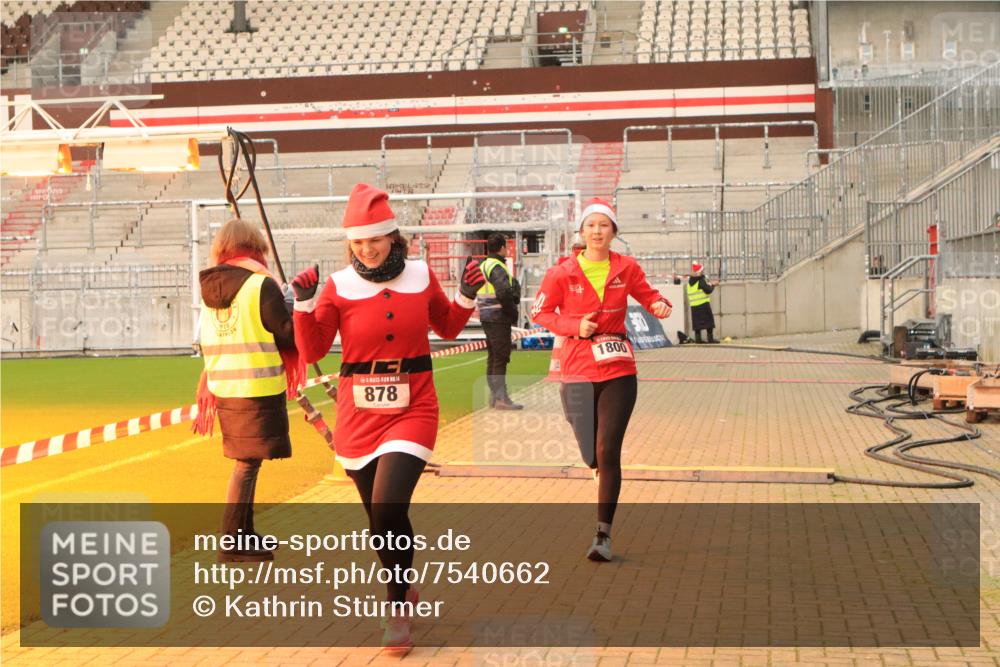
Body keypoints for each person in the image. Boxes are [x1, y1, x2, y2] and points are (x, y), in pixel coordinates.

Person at [291, 183, 484, 655]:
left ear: (393, 237)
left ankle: (396, 607)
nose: (367, 249)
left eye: (374, 240)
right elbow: (313, 351)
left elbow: (449, 326)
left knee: (388, 507)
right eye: (358, 242)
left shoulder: (419, 275)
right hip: (358, 412)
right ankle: (403, 586)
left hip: (414, 404)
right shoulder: (338, 286)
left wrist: (465, 295)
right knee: (381, 522)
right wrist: (304, 304)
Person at [531, 197, 671, 562]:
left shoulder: (627, 268)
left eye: (604, 225)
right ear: (582, 231)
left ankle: (602, 536)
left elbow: (648, 294)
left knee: (609, 450)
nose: (597, 231)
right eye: (591, 225)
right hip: (576, 367)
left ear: (613, 232)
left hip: (618, 368)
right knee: (590, 452)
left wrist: (658, 304)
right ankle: (597, 468)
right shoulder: (561, 273)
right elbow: (541, 313)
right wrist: (574, 326)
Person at [193, 217, 304, 564]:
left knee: (248, 463)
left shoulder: (211, 287)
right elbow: (286, 333)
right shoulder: (259, 285)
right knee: (246, 466)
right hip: (257, 387)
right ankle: (233, 541)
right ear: (256, 247)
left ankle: (244, 533)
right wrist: (294, 306)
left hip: (225, 386)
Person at [476, 232, 522, 410]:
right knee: (500, 357)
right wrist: (512, 313)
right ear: (503, 247)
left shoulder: (485, 265)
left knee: (494, 357)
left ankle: (496, 397)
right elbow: (503, 292)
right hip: (498, 317)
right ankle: (501, 398)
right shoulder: (497, 266)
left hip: (487, 316)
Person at [687, 262, 719, 344]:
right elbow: (708, 290)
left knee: (697, 323)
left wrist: (709, 284)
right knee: (709, 322)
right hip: (703, 304)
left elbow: (700, 288)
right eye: (702, 271)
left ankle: (698, 340)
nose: (703, 272)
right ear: (699, 272)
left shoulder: (690, 282)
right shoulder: (700, 280)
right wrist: (713, 285)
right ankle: (710, 339)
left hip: (694, 306)